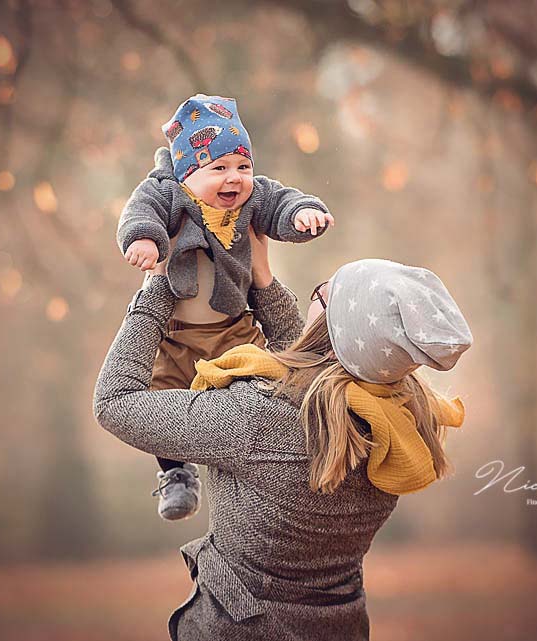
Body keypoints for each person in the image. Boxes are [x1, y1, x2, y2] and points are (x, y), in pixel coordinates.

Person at [92, 230, 473, 640]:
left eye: (323, 294)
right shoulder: (400, 423)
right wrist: (264, 281)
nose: (315, 294)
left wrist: (159, 290)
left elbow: (116, 402)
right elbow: (310, 371)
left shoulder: (257, 418)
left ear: (331, 332)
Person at [117, 94, 335, 520]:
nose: (234, 178)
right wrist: (144, 239)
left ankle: (248, 462)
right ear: (188, 172)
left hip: (234, 327)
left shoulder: (253, 200)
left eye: (243, 167)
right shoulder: (166, 193)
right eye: (219, 169)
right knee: (160, 394)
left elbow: (282, 203)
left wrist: (304, 214)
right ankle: (177, 471)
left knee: (254, 386)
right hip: (176, 334)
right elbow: (138, 213)